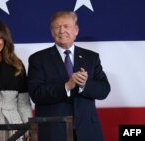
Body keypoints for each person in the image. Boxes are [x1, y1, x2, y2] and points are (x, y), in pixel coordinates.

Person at [27, 11, 111, 141]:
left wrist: (84, 85)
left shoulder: (91, 57)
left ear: (76, 30)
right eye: (57, 27)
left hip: (87, 131)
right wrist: (66, 86)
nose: (62, 31)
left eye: (66, 26)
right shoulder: (38, 59)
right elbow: (36, 94)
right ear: (51, 32)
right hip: (53, 132)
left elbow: (104, 90)